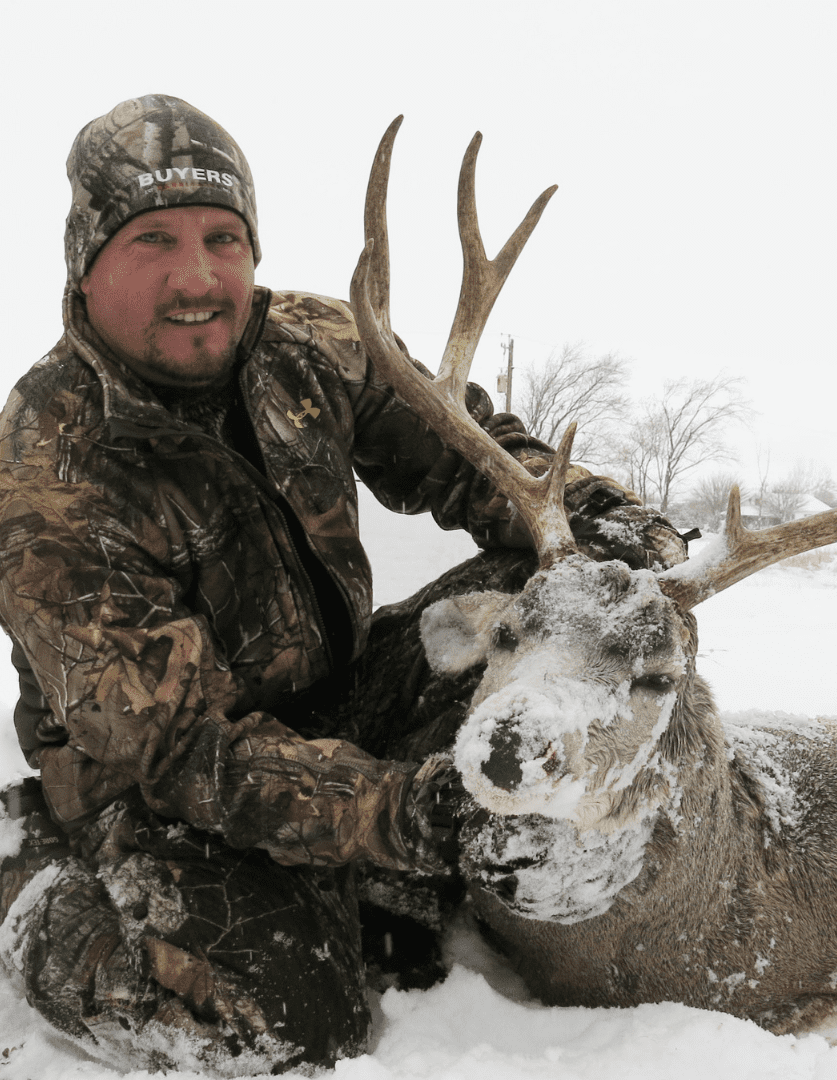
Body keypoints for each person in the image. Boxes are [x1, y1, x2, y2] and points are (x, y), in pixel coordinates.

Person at [0, 95, 684, 1074]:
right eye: (153, 239)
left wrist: (591, 519)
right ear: (87, 260)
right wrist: (397, 814)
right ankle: (32, 892)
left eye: (223, 238)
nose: (197, 277)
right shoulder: (46, 471)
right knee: (280, 1018)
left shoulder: (312, 343)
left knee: (538, 587)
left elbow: (467, 455)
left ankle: (385, 873)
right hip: (155, 789)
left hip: (339, 702)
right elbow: (190, 752)